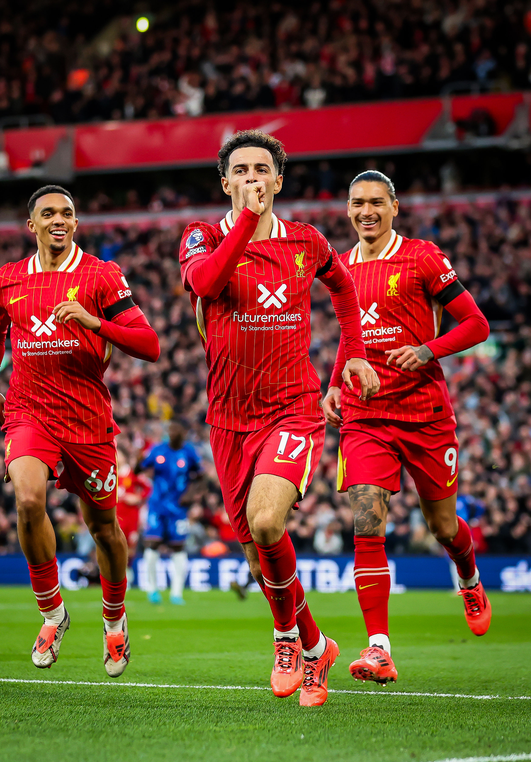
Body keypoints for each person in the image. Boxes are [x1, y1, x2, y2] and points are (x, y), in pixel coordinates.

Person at [178, 130, 379, 707]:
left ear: (279, 180)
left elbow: (344, 288)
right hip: (228, 418)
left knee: (267, 522)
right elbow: (206, 282)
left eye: (262, 169)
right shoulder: (201, 236)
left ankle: (287, 638)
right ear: (225, 182)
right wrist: (246, 220)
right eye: (240, 170)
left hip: (292, 408)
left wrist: (355, 353)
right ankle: (316, 646)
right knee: (254, 552)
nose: (252, 179)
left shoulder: (306, 241)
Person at [0, 184, 160, 677]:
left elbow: (149, 345)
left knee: (104, 529)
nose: (59, 219)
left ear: (76, 223)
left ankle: (114, 620)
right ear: (31, 224)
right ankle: (53, 613)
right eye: (48, 213)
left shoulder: (101, 275)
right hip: (28, 412)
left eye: (67, 213)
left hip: (87, 420)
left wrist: (95, 323)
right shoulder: (8, 279)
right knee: (27, 500)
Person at [323, 170, 491, 686]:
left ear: (394, 207)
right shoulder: (341, 267)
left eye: (377, 202)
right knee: (366, 520)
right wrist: (334, 382)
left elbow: (477, 324)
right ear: (347, 210)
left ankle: (468, 575)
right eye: (358, 203)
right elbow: (351, 335)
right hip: (366, 413)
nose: (366, 211)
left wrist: (427, 350)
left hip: (425, 415)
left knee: (443, 527)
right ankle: (379, 648)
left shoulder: (422, 258)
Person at [137, 420, 202, 605]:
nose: (172, 433)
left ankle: (176, 593)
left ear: (183, 434)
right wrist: (138, 457)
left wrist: (190, 494)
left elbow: (200, 477)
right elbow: (138, 469)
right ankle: (152, 590)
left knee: (178, 547)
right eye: (170, 430)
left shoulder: (189, 452)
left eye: (176, 431)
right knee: (152, 543)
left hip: (178, 508)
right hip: (157, 506)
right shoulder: (157, 450)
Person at [116, 450, 152, 587]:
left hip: (131, 517)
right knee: (117, 547)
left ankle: (128, 575)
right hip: (116, 517)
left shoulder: (131, 474)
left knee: (130, 547)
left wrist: (138, 498)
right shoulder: (111, 475)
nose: (116, 457)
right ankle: (117, 578)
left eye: (118, 454)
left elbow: (148, 488)